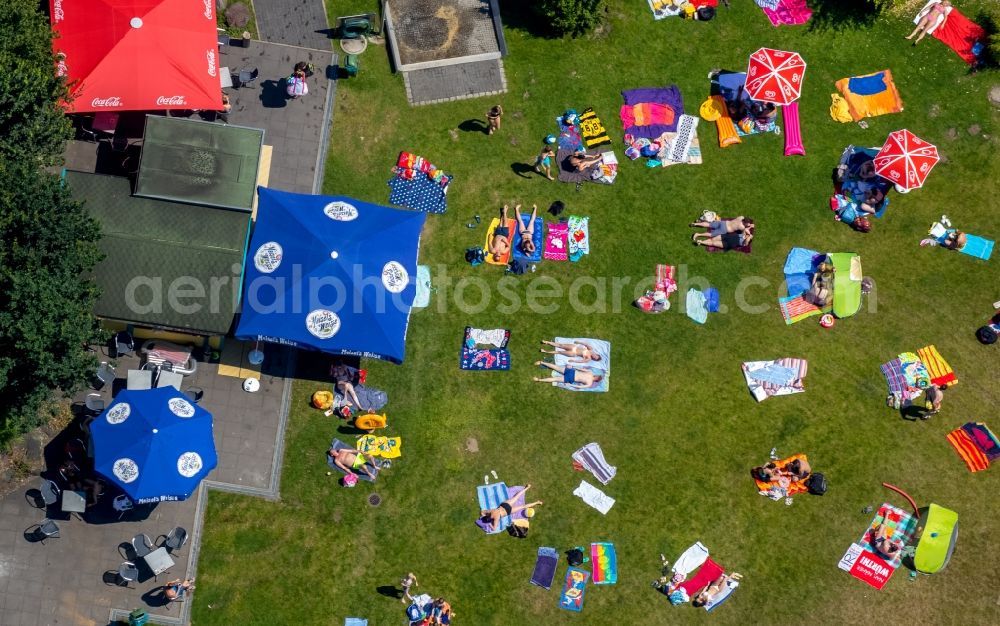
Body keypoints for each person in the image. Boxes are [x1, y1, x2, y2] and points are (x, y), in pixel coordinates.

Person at [478, 483, 542, 532]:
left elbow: (494, 528)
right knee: (516, 497)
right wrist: (482, 515)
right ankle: (527, 487)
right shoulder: (491, 511)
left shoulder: (496, 518)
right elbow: (482, 512)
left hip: (508, 511)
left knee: (523, 506)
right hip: (504, 505)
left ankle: (537, 502)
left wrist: (489, 524)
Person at [532, 361, 603, 390]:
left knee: (555, 379)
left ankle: (538, 380)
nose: (596, 375)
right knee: (555, 367)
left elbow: (580, 386)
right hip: (572, 372)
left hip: (570, 378)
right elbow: (581, 369)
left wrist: (571, 385)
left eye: (597, 376)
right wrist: (573, 367)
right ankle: (541, 362)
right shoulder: (590, 372)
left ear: (597, 379)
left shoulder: (590, 383)